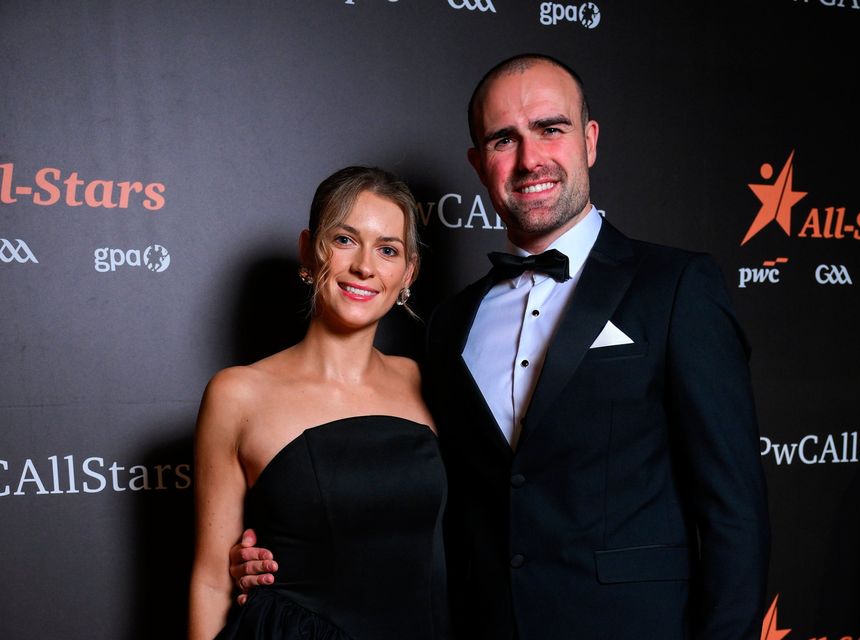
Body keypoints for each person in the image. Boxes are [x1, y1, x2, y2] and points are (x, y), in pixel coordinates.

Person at [232, 54, 771, 639]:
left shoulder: (677, 287)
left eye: (551, 128)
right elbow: (418, 503)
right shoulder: (451, 323)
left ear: (589, 140)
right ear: (478, 163)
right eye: (503, 139)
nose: (530, 158)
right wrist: (283, 563)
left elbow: (733, 514)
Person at [188, 166, 449, 640]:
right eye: (345, 240)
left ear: (408, 272)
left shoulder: (424, 380)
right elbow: (210, 580)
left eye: (387, 249)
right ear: (308, 251)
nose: (365, 266)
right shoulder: (238, 393)